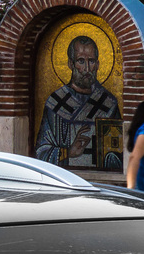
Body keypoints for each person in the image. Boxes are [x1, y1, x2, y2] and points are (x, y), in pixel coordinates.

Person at [35, 35, 122, 169]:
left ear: (98, 64)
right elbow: (41, 152)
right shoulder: (56, 103)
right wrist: (68, 152)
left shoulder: (108, 103)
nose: (87, 69)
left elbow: (119, 153)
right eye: (81, 61)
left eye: (91, 61)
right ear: (71, 64)